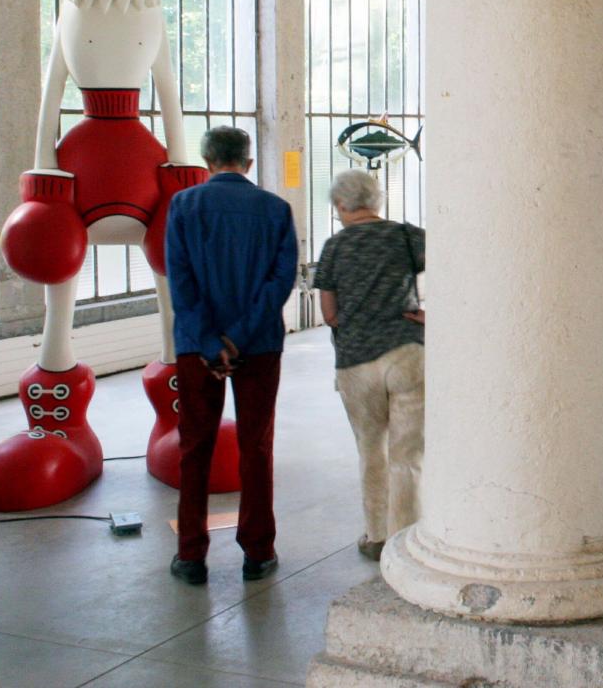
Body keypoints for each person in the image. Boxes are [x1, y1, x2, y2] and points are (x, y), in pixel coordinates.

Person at [164, 127, 298, 585]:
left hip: (195, 348)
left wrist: (209, 342)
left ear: (206, 161)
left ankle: (191, 557)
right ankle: (258, 553)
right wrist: (239, 338)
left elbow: (179, 283)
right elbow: (280, 283)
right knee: (255, 447)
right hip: (259, 345)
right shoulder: (276, 211)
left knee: (193, 448)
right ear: (249, 163)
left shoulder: (182, 207)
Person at [313, 168, 425, 561]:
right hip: (408, 353)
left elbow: (328, 312)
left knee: (370, 448)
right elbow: (461, 267)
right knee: (408, 452)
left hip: (357, 362)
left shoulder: (334, 246)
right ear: (375, 201)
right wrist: (431, 313)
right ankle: (407, 536)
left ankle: (377, 536)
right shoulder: (406, 236)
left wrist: (357, 321)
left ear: (342, 205)